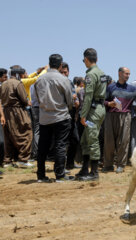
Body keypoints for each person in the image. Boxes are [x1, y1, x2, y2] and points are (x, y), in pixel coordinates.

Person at [34, 54, 73, 182]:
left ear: (49, 63)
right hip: (60, 116)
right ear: (61, 65)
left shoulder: (39, 79)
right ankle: (60, 175)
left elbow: (38, 99)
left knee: (43, 146)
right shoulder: (63, 79)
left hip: (44, 117)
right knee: (60, 145)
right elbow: (69, 100)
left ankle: (41, 175)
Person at [76, 48, 107, 181]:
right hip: (100, 109)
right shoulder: (102, 73)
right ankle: (84, 169)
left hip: (92, 111)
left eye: (84, 60)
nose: (84, 63)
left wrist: (83, 115)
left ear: (87, 59)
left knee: (92, 139)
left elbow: (88, 97)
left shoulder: (90, 75)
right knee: (85, 139)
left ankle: (94, 173)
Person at [103, 67, 136, 173]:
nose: (128, 76)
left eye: (129, 74)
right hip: (111, 116)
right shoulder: (110, 87)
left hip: (125, 116)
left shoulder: (132, 89)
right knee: (109, 141)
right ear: (119, 73)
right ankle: (108, 164)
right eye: (126, 73)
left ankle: (121, 165)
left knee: (123, 141)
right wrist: (108, 103)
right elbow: (103, 100)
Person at [0, 66, 33, 168]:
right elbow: (23, 99)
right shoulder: (18, 83)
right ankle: (23, 159)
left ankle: (8, 160)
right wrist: (29, 102)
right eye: (22, 74)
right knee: (26, 133)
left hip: (6, 111)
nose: (23, 76)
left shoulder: (4, 84)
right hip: (17, 111)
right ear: (18, 74)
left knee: (8, 135)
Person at [60, 62, 81, 170]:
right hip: (62, 114)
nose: (64, 74)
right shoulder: (58, 82)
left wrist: (76, 101)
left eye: (66, 72)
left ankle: (70, 163)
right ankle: (61, 165)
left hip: (71, 114)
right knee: (62, 142)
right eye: (62, 72)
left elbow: (75, 96)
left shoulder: (70, 82)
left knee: (75, 139)